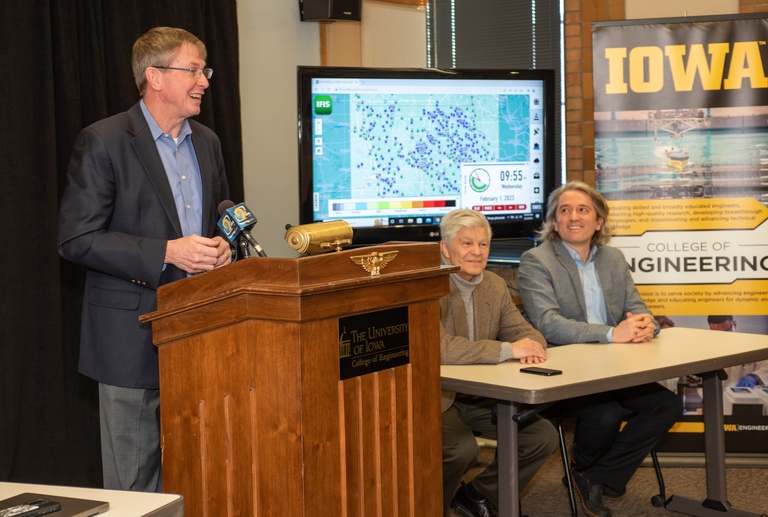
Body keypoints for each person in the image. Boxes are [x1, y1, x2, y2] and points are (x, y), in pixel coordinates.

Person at [57, 27, 232, 492]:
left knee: (197, 478)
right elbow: (76, 239)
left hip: (200, 336)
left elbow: (219, 214)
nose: (204, 81)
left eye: (205, 70)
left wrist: (223, 245)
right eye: (193, 70)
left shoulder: (208, 142)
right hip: (129, 340)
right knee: (135, 489)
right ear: (155, 77)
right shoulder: (105, 141)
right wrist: (166, 252)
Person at [518, 181, 682, 517]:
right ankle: (592, 471)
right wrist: (611, 333)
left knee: (666, 406)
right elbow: (548, 323)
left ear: (599, 221)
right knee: (605, 414)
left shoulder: (613, 258)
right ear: (554, 221)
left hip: (614, 367)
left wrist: (646, 324)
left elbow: (636, 308)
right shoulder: (536, 260)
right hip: (566, 369)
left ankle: (593, 475)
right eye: (564, 210)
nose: (573, 217)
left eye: (583, 210)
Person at [439, 209, 559, 517]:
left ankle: (477, 496)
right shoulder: (428, 287)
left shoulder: (493, 283)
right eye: (467, 243)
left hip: (481, 393)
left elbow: (524, 332)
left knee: (541, 437)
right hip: (438, 398)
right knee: (462, 450)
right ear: (445, 249)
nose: (477, 252)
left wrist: (532, 346)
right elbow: (441, 349)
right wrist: (508, 350)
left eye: (483, 244)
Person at [707, 316, 768, 388]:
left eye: (727, 331)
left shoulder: (752, 345)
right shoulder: (705, 349)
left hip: (746, 392)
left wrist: (754, 377)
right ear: (711, 328)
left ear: (734, 325)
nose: (723, 337)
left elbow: (766, 366)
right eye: (718, 334)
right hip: (716, 393)